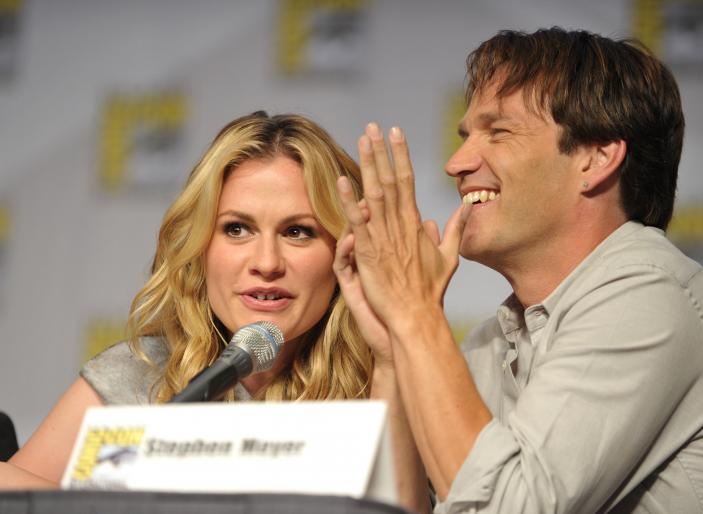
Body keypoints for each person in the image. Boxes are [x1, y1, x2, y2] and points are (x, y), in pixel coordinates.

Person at [334, 28, 703, 513]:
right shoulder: (492, 344)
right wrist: (392, 353)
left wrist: (416, 312)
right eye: (466, 136)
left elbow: (509, 507)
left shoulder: (650, 296)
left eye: (499, 131)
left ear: (596, 158)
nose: (456, 163)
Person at [0, 112, 428, 512]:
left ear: (346, 251)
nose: (266, 262)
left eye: (298, 231)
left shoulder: (393, 381)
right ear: (201, 246)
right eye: (237, 229)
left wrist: (390, 358)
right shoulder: (141, 374)